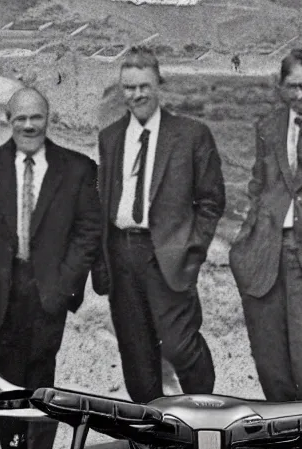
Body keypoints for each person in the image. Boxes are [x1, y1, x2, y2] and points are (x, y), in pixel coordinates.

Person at [0, 87, 101, 449]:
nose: (29, 125)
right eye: (20, 117)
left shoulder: (77, 169)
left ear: (48, 118)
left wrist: (63, 284)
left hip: (48, 292)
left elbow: (89, 232)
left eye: (36, 116)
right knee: (6, 376)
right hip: (0, 290)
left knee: (40, 373)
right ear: (8, 118)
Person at [92, 46, 225, 404]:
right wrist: (101, 259)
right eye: (129, 88)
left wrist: (192, 251)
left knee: (180, 345)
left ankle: (206, 413)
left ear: (158, 84)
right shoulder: (110, 137)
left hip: (167, 254)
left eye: (143, 86)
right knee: (136, 357)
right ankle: (153, 439)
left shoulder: (191, 135)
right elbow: (104, 200)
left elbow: (211, 201)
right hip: (121, 253)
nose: (136, 95)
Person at [229, 47, 302, 449]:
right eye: (293, 86)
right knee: (273, 361)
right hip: (268, 255)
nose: (301, 95)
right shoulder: (268, 127)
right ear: (280, 87)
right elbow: (258, 183)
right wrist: (246, 239)